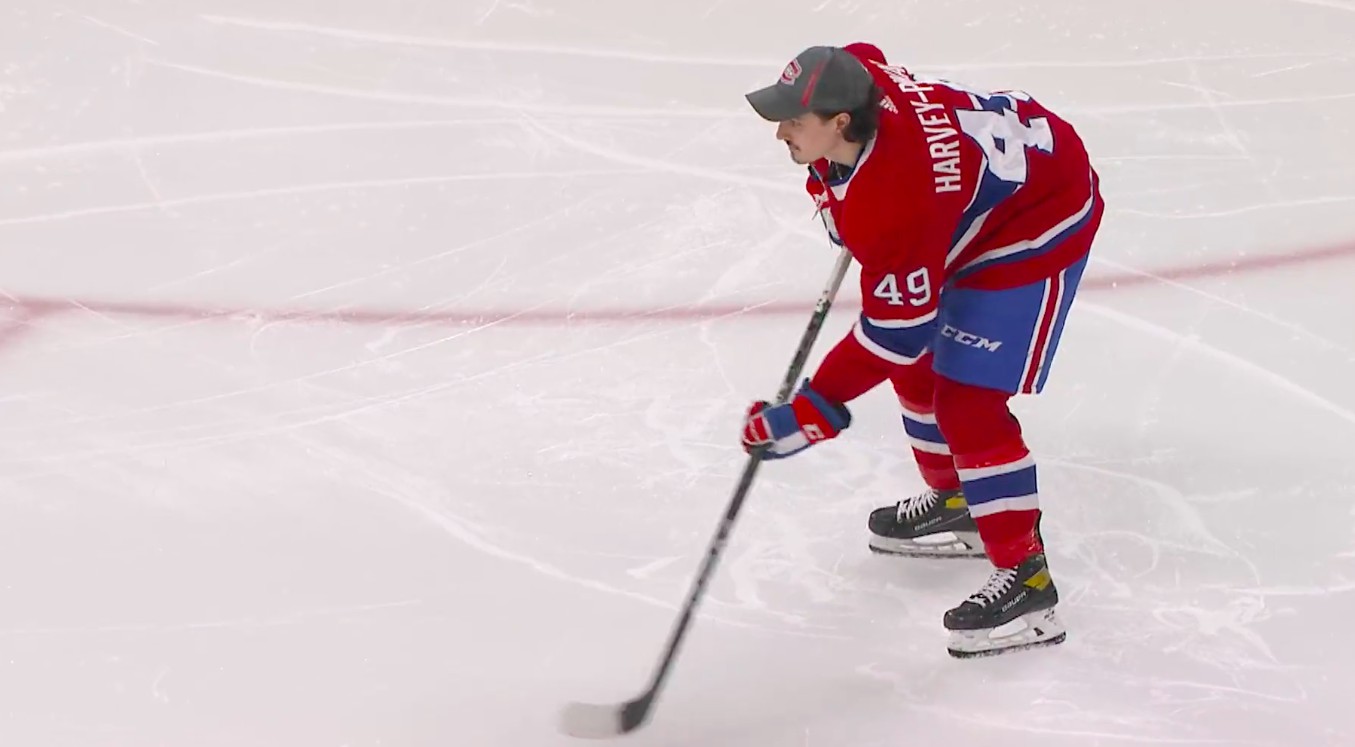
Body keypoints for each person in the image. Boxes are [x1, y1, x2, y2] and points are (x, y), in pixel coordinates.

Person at [738, 42, 1103, 658]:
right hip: (974, 201)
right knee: (921, 371)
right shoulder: (862, 85)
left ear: (841, 122)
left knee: (967, 403)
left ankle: (1030, 583)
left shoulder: (895, 202)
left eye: (795, 121)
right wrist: (835, 182)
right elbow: (864, 52)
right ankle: (958, 501)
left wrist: (816, 406)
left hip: (1038, 220)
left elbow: (895, 334)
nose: (780, 133)